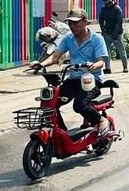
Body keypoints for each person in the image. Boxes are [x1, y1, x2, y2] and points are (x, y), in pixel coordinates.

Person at [34, 8, 110, 136]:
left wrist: (93, 65)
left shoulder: (97, 39)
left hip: (91, 81)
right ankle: (62, 133)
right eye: (70, 23)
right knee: (51, 103)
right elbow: (55, 57)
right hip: (73, 79)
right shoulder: (68, 38)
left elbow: (101, 62)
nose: (72, 26)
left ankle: (101, 120)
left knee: (79, 105)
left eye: (75, 23)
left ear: (85, 22)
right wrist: (40, 64)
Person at [99, 0, 128, 74]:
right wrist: (103, 30)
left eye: (106, 0)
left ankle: (125, 67)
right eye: (104, 0)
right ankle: (107, 68)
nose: (104, 2)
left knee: (121, 51)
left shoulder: (117, 9)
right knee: (106, 52)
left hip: (117, 34)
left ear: (111, 0)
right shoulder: (103, 9)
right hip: (107, 33)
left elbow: (119, 22)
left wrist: (115, 34)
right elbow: (101, 20)